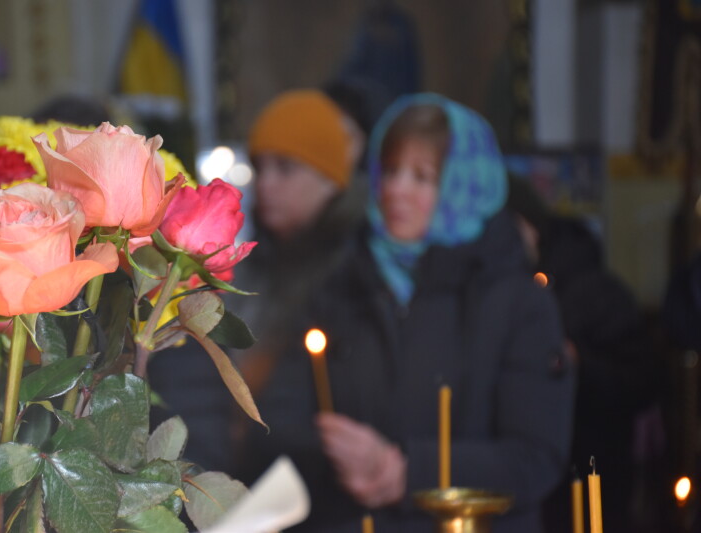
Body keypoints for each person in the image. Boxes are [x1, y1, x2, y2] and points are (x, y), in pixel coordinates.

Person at [235, 93, 574, 532]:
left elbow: (535, 456)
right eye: (391, 171)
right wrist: (333, 451)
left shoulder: (517, 302)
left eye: (422, 177)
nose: (397, 189)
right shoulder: (345, 286)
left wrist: (409, 471)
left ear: (464, 184)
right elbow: (282, 414)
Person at [148, 89, 359, 472]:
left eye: (285, 168)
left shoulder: (354, 278)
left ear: (329, 179)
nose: (266, 183)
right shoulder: (249, 266)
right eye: (261, 168)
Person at [506, 177, 662, 533]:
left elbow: (645, 379)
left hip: (592, 474)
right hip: (531, 480)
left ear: (530, 226)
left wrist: (578, 362)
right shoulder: (503, 290)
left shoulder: (595, 291)